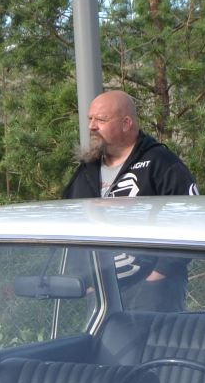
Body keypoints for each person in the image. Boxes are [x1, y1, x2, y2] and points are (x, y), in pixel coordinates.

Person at [63, 90, 198, 309]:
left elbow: (191, 218)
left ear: (126, 123)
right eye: (90, 119)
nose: (92, 126)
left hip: (152, 296)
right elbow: (67, 223)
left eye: (101, 120)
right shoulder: (87, 170)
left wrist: (158, 274)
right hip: (101, 298)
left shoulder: (160, 163)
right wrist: (86, 281)